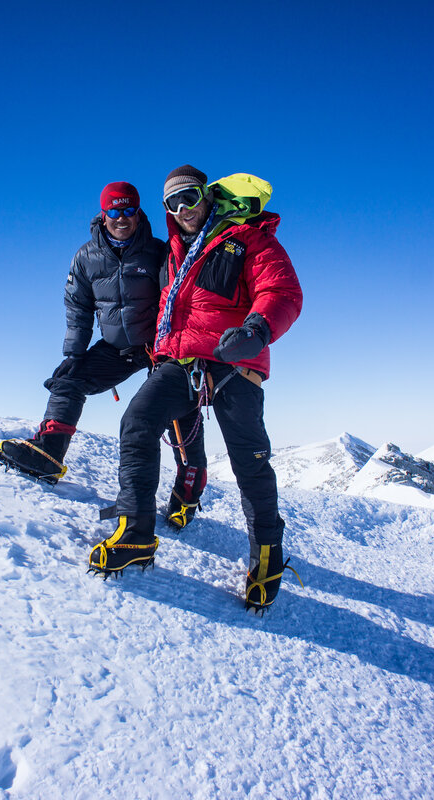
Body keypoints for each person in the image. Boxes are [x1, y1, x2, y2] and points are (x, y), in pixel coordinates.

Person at [87, 165, 304, 612]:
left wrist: (258, 329)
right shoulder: (173, 253)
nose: (183, 209)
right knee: (138, 421)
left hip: (234, 359)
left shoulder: (249, 238)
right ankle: (136, 535)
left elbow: (281, 290)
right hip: (180, 361)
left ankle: (267, 556)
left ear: (208, 195)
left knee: (249, 459)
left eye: (189, 197)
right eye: (172, 203)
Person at [0, 181, 203, 507]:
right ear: (103, 214)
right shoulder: (87, 257)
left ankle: (187, 492)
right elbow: (78, 308)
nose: (122, 218)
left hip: (157, 346)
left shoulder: (157, 251)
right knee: (67, 378)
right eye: (114, 211)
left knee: (179, 408)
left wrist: (176, 349)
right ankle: (49, 453)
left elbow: (176, 299)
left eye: (128, 210)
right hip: (116, 348)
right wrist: (74, 353)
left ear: (138, 212)